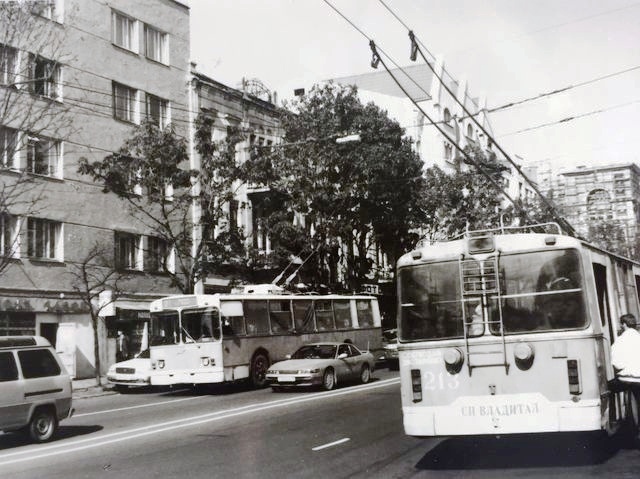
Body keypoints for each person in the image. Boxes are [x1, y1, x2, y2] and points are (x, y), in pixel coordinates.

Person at [609, 313, 640, 433]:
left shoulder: (620, 341)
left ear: (624, 325)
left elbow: (617, 364)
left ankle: (613, 420)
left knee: (608, 388)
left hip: (626, 379)